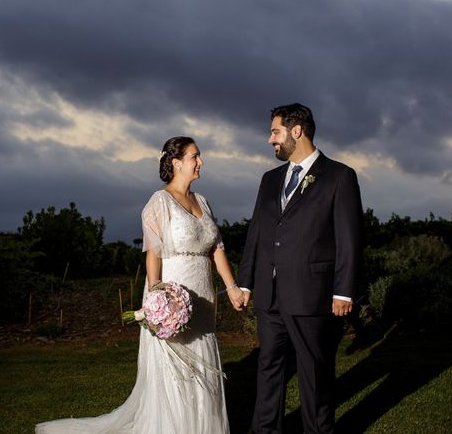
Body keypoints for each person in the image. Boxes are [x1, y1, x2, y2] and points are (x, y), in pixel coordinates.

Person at [36, 136, 244, 434]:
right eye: (195, 156)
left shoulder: (203, 202)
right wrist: (159, 297)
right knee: (177, 372)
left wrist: (232, 287)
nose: (200, 162)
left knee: (204, 360)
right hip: (175, 296)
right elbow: (153, 255)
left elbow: (216, 248)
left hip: (204, 296)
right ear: (176, 163)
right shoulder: (158, 202)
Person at [237, 103, 363, 434]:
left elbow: (349, 238)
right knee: (268, 367)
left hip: (311, 294)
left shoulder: (339, 176)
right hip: (269, 294)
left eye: (275, 131)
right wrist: (246, 283)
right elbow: (257, 233)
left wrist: (343, 290)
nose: (270, 140)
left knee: (314, 372)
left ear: (297, 131)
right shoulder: (269, 179)